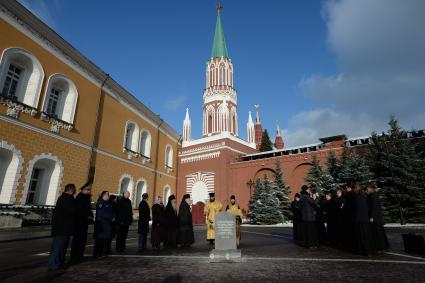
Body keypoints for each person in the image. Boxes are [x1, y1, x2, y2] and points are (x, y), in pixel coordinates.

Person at [48, 184, 77, 271]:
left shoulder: (65, 198)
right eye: (74, 190)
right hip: (62, 228)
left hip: (64, 228)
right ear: (71, 190)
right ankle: (54, 264)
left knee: (62, 247)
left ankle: (59, 263)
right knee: (58, 247)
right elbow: (72, 210)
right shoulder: (66, 199)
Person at [70, 183, 93, 265]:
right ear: (83, 190)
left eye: (89, 190)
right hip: (79, 223)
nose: (89, 191)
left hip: (84, 223)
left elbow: (88, 210)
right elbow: (79, 211)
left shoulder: (86, 199)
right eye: (87, 190)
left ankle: (79, 255)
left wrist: (90, 215)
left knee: (82, 240)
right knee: (77, 240)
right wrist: (86, 216)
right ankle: (74, 257)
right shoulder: (80, 198)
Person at [352, 183, 375, 256]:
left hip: (359, 219)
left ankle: (364, 251)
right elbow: (369, 207)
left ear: (356, 188)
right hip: (365, 219)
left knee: (362, 236)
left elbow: (355, 208)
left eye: (354, 188)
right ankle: (368, 251)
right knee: (366, 235)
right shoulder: (365, 196)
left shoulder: (356, 197)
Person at [367, 184, 389, 252]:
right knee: (379, 232)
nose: (367, 190)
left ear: (371, 189)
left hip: (375, 218)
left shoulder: (373, 196)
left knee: (377, 232)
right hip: (377, 217)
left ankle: (380, 246)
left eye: (368, 188)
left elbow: (373, 207)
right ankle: (382, 246)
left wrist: (371, 217)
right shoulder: (374, 195)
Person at [93, 191, 114, 258]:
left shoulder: (108, 203)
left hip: (107, 224)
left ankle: (101, 253)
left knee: (104, 240)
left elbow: (111, 211)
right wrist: (111, 218)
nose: (108, 196)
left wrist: (114, 216)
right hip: (102, 224)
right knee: (100, 240)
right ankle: (97, 254)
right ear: (103, 196)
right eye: (107, 195)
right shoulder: (100, 203)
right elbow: (102, 213)